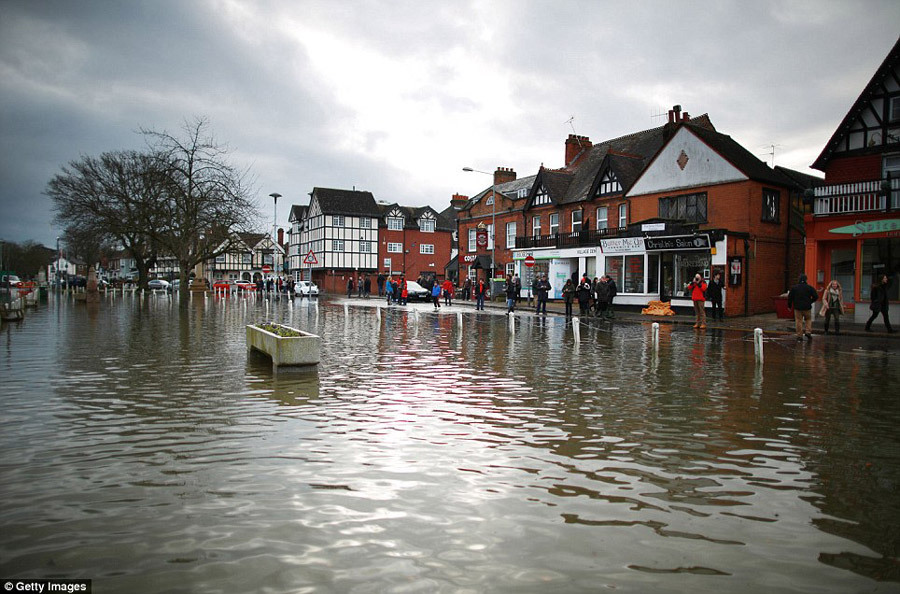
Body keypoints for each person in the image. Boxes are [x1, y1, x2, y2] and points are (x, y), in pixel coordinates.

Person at [787, 273, 818, 341]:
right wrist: (810, 301)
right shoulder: (809, 287)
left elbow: (790, 297)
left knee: (799, 321)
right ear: (806, 279)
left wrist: (789, 306)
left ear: (799, 279)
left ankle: (799, 335)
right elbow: (816, 296)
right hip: (807, 307)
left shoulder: (794, 288)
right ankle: (808, 332)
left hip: (797, 307)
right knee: (808, 319)